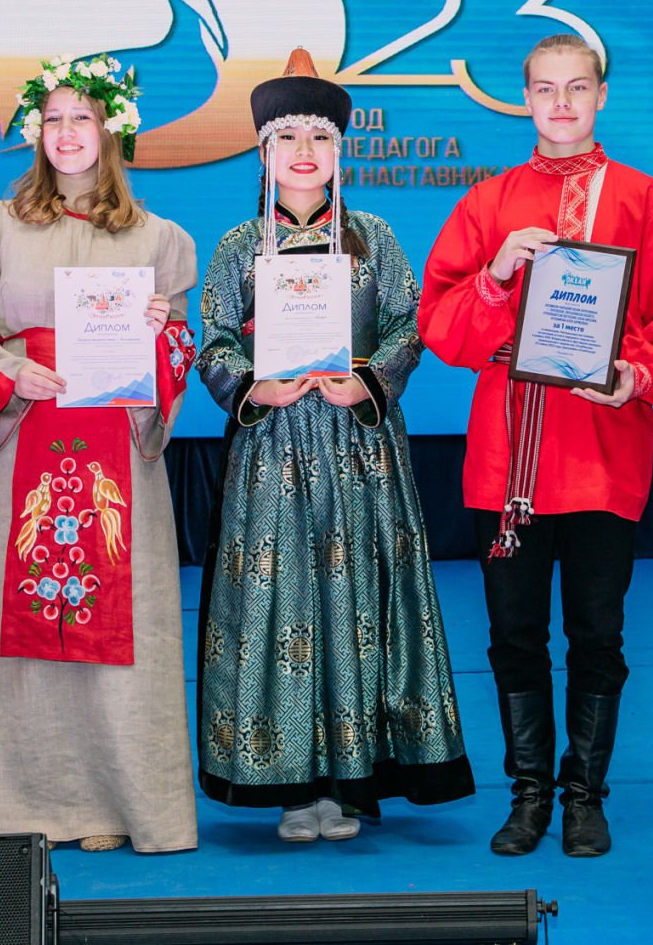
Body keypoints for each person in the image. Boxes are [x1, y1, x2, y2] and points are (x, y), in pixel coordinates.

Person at [419, 34, 653, 857]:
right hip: (505, 455)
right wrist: (496, 274)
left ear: (601, 95)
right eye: (546, 89)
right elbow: (440, 326)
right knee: (513, 633)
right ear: (525, 98)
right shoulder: (489, 202)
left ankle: (585, 794)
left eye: (578, 87)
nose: (563, 103)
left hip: (603, 451)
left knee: (597, 632)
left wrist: (633, 375)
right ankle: (530, 794)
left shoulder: (644, 198)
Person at [195, 48, 473, 842]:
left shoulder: (374, 237)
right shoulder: (239, 245)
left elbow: (408, 325)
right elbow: (212, 338)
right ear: (263, 153)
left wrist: (370, 380)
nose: (304, 151)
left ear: (341, 150)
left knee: (359, 602)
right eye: (287, 137)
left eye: (320, 136)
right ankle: (292, 782)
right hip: (274, 450)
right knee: (279, 602)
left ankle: (352, 779)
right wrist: (254, 385)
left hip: (359, 449)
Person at [0, 54, 200, 853]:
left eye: (81, 118)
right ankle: (27, 804)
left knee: (131, 625)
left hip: (117, 451)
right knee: (20, 627)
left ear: (111, 129)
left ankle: (128, 804)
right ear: (35, 132)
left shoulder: (162, 238)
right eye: (51, 118)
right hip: (23, 438)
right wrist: (10, 371)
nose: (65, 133)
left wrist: (159, 334)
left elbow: (181, 345)